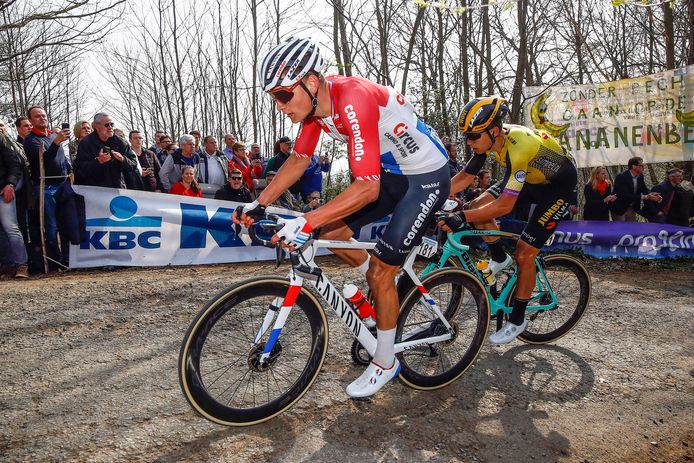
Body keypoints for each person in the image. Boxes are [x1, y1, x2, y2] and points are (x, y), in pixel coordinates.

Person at [235, 37, 450, 398]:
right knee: (333, 233)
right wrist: (261, 203)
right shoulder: (316, 110)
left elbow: (366, 188)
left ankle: (385, 361)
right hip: (392, 176)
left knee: (380, 268)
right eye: (274, 97)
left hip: (425, 178)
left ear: (311, 82)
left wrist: (306, 220)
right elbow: (300, 159)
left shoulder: (353, 99)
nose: (279, 105)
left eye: (284, 95)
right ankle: (381, 299)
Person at [443, 95, 578, 345]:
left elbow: (505, 206)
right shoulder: (489, 142)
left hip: (558, 188)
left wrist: (461, 217)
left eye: (473, 136)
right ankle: (498, 257)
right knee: (476, 205)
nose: (469, 142)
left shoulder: (519, 146)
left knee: (525, 254)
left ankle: (517, 320)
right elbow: (463, 178)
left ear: (494, 131)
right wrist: (433, 197)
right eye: (466, 137)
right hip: (531, 178)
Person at [23, 106, 72, 267]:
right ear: (30, 120)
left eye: (44, 115)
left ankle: (68, 257)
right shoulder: (30, 140)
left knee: (66, 222)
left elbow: (61, 159)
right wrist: (57, 142)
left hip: (63, 183)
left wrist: (70, 171)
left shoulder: (52, 135)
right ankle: (55, 260)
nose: (42, 118)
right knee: (52, 225)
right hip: (45, 186)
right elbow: (43, 160)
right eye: (37, 116)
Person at [74, 113, 139, 189]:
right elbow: (81, 169)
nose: (110, 127)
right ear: (96, 126)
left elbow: (134, 164)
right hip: (95, 190)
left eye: (112, 124)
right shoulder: (86, 143)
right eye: (106, 125)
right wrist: (98, 161)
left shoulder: (120, 142)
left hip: (118, 189)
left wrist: (123, 159)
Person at [0, 132, 29, 277]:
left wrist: (10, 184)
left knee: (10, 227)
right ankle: (7, 265)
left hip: (3, 189)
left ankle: (21, 265)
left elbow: (14, 163)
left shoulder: (1, 139)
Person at [611, 157, 662, 221]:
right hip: (619, 208)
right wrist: (646, 197)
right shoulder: (621, 177)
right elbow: (624, 195)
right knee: (620, 229)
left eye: (643, 165)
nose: (643, 167)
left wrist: (653, 195)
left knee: (632, 229)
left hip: (632, 208)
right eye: (641, 165)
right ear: (633, 166)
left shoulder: (640, 176)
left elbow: (644, 189)